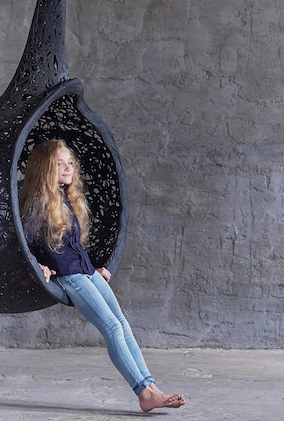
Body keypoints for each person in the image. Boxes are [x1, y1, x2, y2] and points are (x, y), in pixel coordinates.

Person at [19, 139, 186, 412]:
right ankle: (143, 393)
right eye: (59, 163)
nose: (67, 168)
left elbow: (70, 245)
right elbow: (22, 245)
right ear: (44, 168)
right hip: (70, 277)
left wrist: (93, 267)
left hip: (85, 271)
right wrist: (37, 266)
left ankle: (152, 387)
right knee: (110, 327)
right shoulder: (37, 203)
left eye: (69, 163)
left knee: (122, 324)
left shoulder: (64, 197)